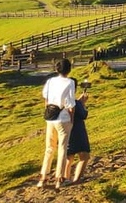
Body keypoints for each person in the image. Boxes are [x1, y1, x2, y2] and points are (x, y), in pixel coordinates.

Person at [38, 58, 76, 189]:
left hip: (50, 117)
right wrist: (72, 118)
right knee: (62, 149)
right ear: (69, 70)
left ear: (56, 69)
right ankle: (59, 178)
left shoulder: (50, 81)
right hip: (63, 117)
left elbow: (46, 98)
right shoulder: (70, 82)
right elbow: (71, 104)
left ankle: (43, 176)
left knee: (49, 148)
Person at [65, 89, 91, 184]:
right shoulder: (74, 102)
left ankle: (65, 179)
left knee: (69, 157)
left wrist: (79, 102)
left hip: (64, 131)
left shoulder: (58, 101)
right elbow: (83, 114)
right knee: (84, 156)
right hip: (77, 131)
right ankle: (77, 179)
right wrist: (82, 103)